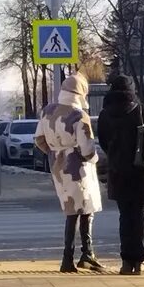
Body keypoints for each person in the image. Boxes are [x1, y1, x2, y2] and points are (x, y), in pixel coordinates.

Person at [35, 73, 104, 273]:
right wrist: (95, 159)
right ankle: (79, 256)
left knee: (72, 210)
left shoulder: (48, 111)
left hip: (58, 166)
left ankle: (80, 255)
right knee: (83, 209)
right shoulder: (78, 115)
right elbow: (88, 149)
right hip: (78, 168)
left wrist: (55, 153)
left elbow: (39, 138)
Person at [97, 75, 144, 274]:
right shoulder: (142, 110)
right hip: (142, 172)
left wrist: (117, 155)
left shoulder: (105, 114)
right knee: (141, 216)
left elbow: (103, 142)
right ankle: (140, 261)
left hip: (119, 173)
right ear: (132, 90)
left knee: (125, 216)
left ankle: (127, 261)